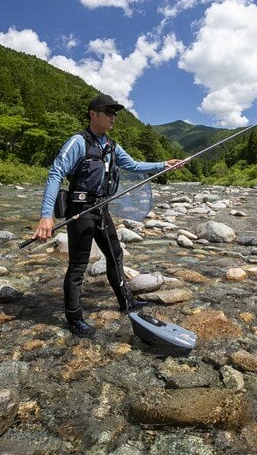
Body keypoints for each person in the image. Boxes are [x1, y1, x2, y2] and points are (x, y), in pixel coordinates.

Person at [33, 93, 183, 338]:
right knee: (78, 265)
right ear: (93, 114)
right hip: (80, 211)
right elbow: (56, 173)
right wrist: (46, 215)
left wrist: (164, 164)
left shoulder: (111, 146)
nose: (113, 117)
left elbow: (134, 165)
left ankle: (126, 303)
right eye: (108, 112)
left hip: (101, 209)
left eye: (115, 113)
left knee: (115, 255)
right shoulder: (77, 142)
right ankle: (74, 318)